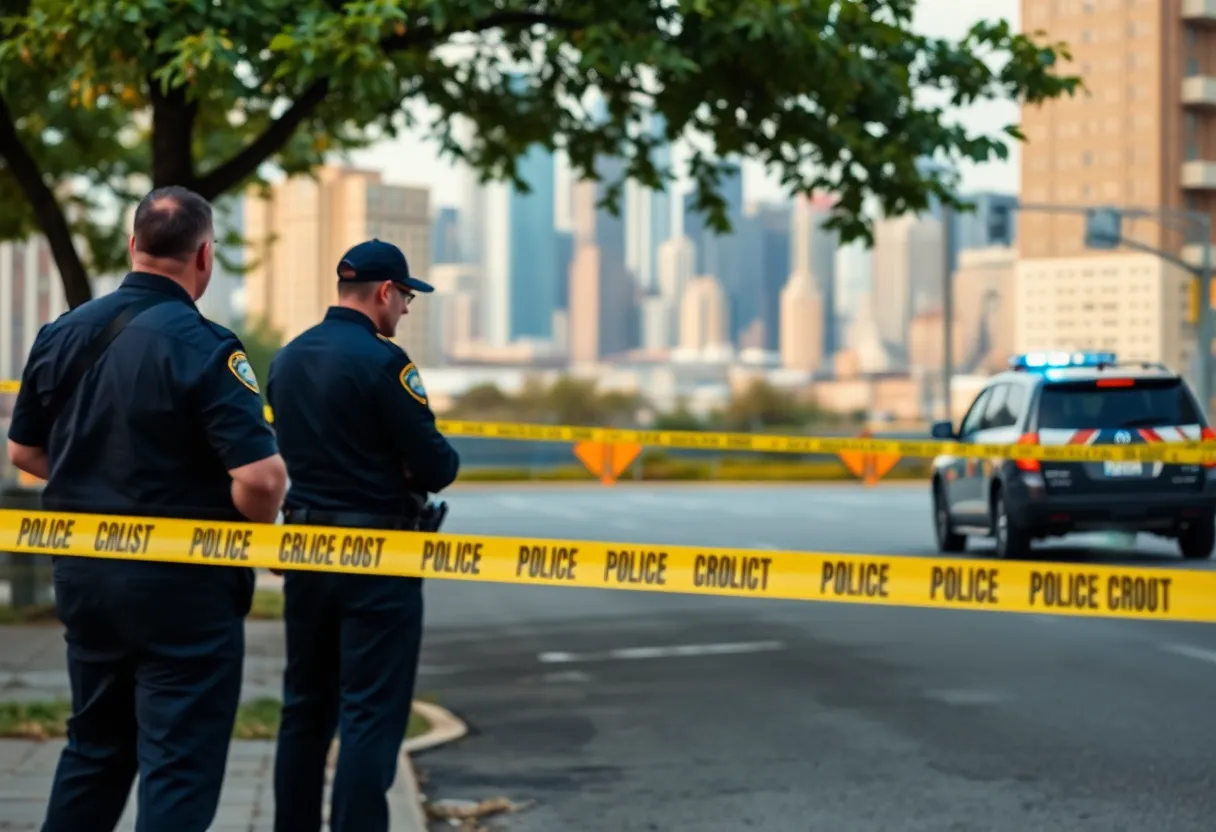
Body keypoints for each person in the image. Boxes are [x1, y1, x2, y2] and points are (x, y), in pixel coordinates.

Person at [5, 186, 288, 831]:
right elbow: (263, 478)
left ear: (132, 246)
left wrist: (96, 480)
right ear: (205, 256)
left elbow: (24, 450)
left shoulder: (62, 332)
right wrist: (247, 530)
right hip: (183, 587)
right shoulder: (208, 345)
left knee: (95, 749)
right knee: (178, 763)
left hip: (86, 577)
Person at [267, 238, 460, 832]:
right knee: (370, 715)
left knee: (304, 709)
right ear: (383, 292)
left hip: (305, 552)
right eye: (405, 297)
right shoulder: (386, 363)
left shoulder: (287, 358)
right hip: (379, 557)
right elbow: (436, 466)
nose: (405, 309)